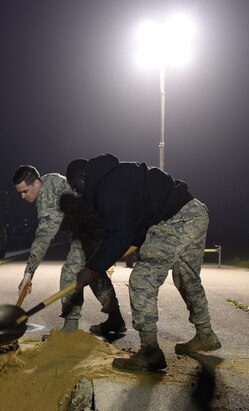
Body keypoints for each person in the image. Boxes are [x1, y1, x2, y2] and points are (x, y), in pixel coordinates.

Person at [64, 153, 221, 371]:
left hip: (176, 219)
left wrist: (91, 268)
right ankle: (206, 334)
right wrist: (131, 244)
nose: (76, 192)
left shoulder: (107, 188)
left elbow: (119, 234)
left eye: (75, 187)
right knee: (187, 278)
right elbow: (136, 223)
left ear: (83, 177)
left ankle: (150, 352)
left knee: (142, 279)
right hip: (195, 212)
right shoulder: (116, 176)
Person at [13, 165, 125, 333]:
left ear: (37, 183)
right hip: (98, 226)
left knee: (70, 273)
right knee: (93, 272)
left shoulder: (46, 196)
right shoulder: (49, 179)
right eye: (20, 192)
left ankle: (70, 328)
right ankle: (116, 319)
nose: (23, 196)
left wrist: (28, 274)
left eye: (25, 191)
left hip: (93, 230)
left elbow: (43, 238)